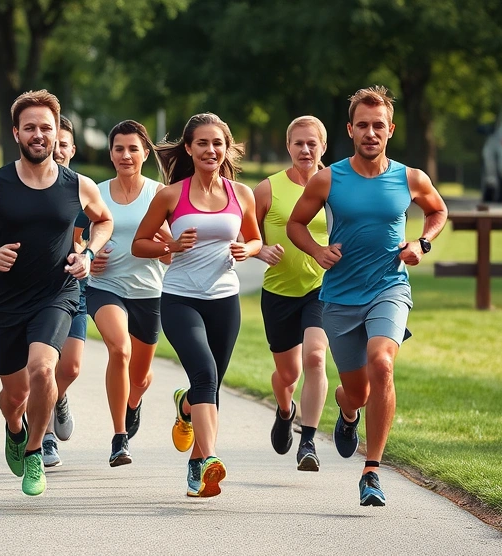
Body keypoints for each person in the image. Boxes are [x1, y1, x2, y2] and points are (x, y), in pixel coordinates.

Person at [287, 86, 447, 506]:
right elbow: (296, 225)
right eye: (363, 125)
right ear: (350, 129)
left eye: (379, 126)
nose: (371, 133)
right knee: (355, 390)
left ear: (390, 130)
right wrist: (318, 251)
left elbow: (438, 211)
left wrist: (422, 243)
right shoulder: (328, 178)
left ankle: (372, 470)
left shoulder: (411, 177)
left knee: (383, 363)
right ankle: (347, 410)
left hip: (388, 287)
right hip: (339, 297)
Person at [0, 89, 113, 496]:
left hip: (56, 293)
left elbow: (104, 221)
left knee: (44, 370)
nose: (39, 134)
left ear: (57, 130)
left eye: (46, 127)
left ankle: (36, 451)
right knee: (14, 394)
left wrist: (88, 252)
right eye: (30, 128)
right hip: (6, 301)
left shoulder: (78, 184)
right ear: (16, 133)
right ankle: (14, 427)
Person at [133, 112, 261, 497]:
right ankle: (209, 460)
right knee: (206, 374)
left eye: (217, 143)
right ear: (188, 148)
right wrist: (170, 245)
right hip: (180, 299)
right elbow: (140, 244)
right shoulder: (171, 195)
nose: (210, 150)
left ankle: (187, 415)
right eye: (202, 143)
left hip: (225, 300)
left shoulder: (242, 194)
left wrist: (246, 249)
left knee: (210, 384)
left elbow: (255, 239)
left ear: (226, 149)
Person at [87, 120, 171, 466]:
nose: (126, 155)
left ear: (145, 153)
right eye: (119, 149)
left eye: (133, 148)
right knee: (119, 350)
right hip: (105, 287)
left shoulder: (158, 194)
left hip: (150, 291)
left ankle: (133, 401)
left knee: (140, 377)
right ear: (111, 154)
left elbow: (170, 247)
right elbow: (75, 235)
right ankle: (120, 438)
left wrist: (169, 248)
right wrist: (85, 254)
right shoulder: (96, 191)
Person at [253, 116, 330, 471]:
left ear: (323, 147)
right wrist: (260, 251)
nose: (305, 150)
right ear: (288, 147)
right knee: (288, 376)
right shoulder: (268, 189)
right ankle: (285, 409)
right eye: (298, 143)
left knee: (315, 358)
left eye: (312, 143)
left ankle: (309, 441)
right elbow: (245, 236)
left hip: (322, 287)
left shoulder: (335, 186)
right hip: (279, 292)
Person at [42, 115, 83, 468]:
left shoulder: (83, 189)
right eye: (52, 144)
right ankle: (46, 438)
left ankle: (59, 398)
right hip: (38, 292)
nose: (56, 150)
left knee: (68, 368)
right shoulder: (28, 186)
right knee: (41, 368)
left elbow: (104, 227)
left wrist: (90, 253)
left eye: (63, 145)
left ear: (72, 149)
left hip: (75, 289)